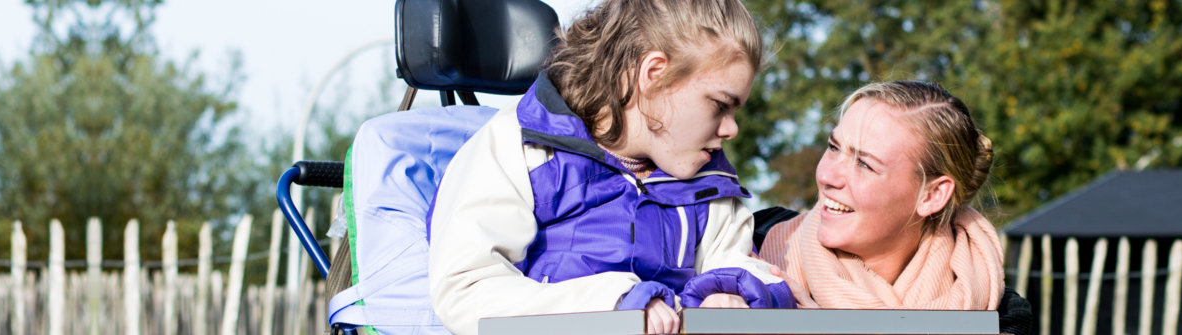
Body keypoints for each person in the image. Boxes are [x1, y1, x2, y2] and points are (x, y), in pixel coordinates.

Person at [425, 1, 789, 334]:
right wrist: (613, 306)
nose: (731, 129)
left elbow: (744, 267)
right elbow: (466, 292)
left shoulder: (710, 184)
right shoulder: (518, 148)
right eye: (720, 105)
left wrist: (732, 294)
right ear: (655, 73)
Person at [757, 81, 1007, 311]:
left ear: (932, 195)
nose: (827, 177)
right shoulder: (744, 247)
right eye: (833, 147)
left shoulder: (997, 312)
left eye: (865, 164)